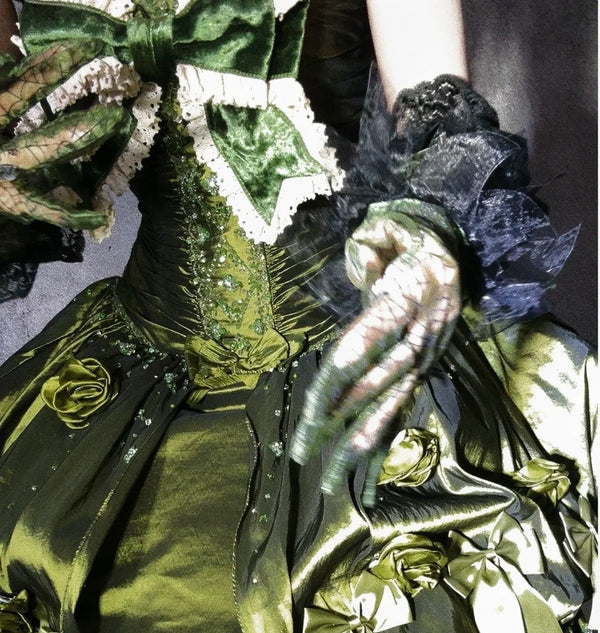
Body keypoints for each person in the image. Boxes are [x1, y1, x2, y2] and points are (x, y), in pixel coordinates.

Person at [0, 1, 596, 632]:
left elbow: (446, 123)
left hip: (345, 338)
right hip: (141, 362)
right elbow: (23, 175)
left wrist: (426, 222)